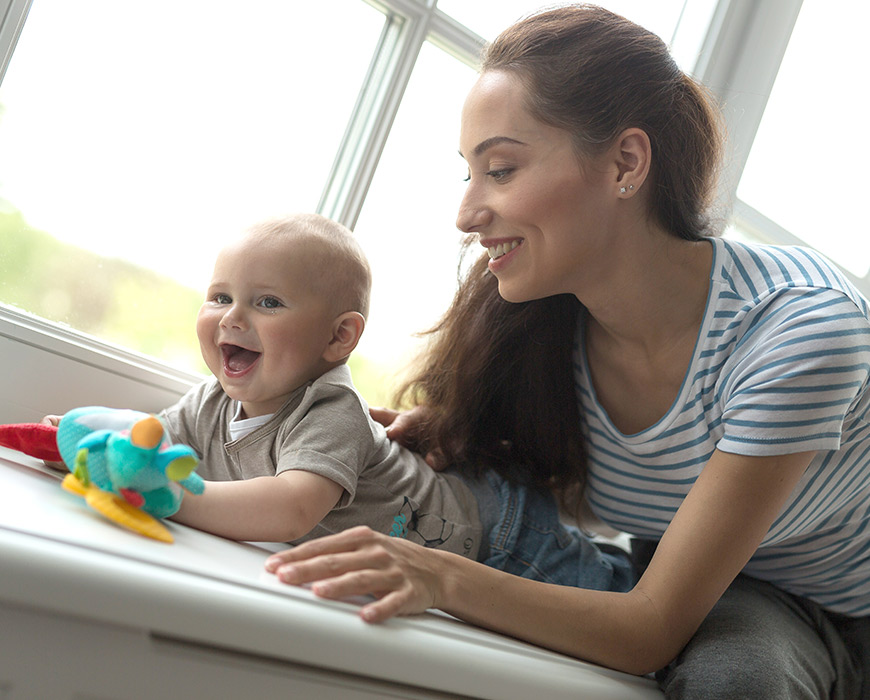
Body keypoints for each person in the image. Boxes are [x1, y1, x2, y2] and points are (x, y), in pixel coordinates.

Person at [263, 6, 870, 699]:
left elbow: (650, 628)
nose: (466, 213)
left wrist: (438, 577)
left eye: (501, 168)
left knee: (736, 681)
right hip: (674, 568)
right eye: (468, 173)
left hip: (836, 609)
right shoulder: (542, 318)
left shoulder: (796, 331)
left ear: (626, 163)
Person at [47, 212, 633, 591]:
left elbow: (292, 508)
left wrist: (172, 497)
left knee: (607, 586)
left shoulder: (330, 411)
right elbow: (155, 441)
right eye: (220, 296)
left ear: (338, 337)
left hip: (500, 536)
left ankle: (664, 567)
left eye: (267, 303)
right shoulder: (209, 403)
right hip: (466, 535)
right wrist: (89, 448)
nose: (232, 317)